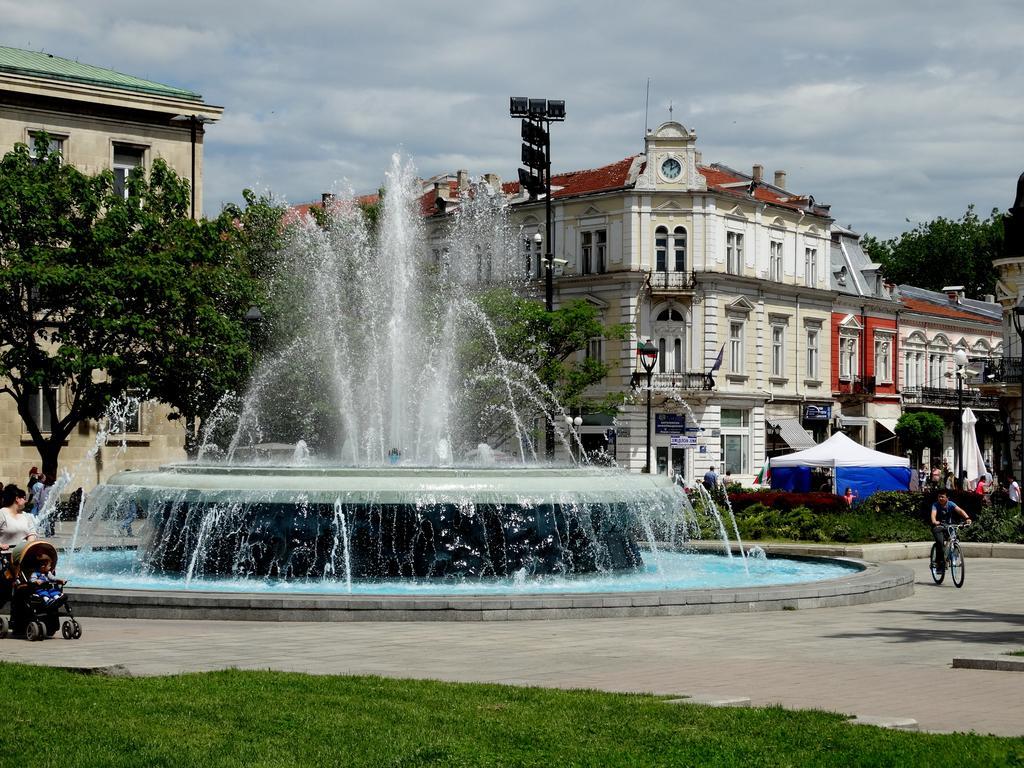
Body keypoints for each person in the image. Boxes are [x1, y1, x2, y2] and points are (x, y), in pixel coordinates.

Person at [929, 491, 972, 575]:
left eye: (942, 497)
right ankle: (939, 565)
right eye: (939, 497)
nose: (940, 498)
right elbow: (933, 514)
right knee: (940, 543)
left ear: (947, 498)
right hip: (938, 527)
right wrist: (934, 521)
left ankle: (953, 557)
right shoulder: (935, 505)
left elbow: (960, 510)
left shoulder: (951, 504)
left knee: (955, 539)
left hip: (949, 526)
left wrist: (967, 518)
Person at [0, 485, 37, 550]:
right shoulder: (2, 513)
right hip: (5, 554)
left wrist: (28, 546)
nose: (26, 501)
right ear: (17, 499)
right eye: (24, 498)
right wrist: (0, 545)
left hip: (23, 554)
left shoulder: (26, 516)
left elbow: (32, 533)